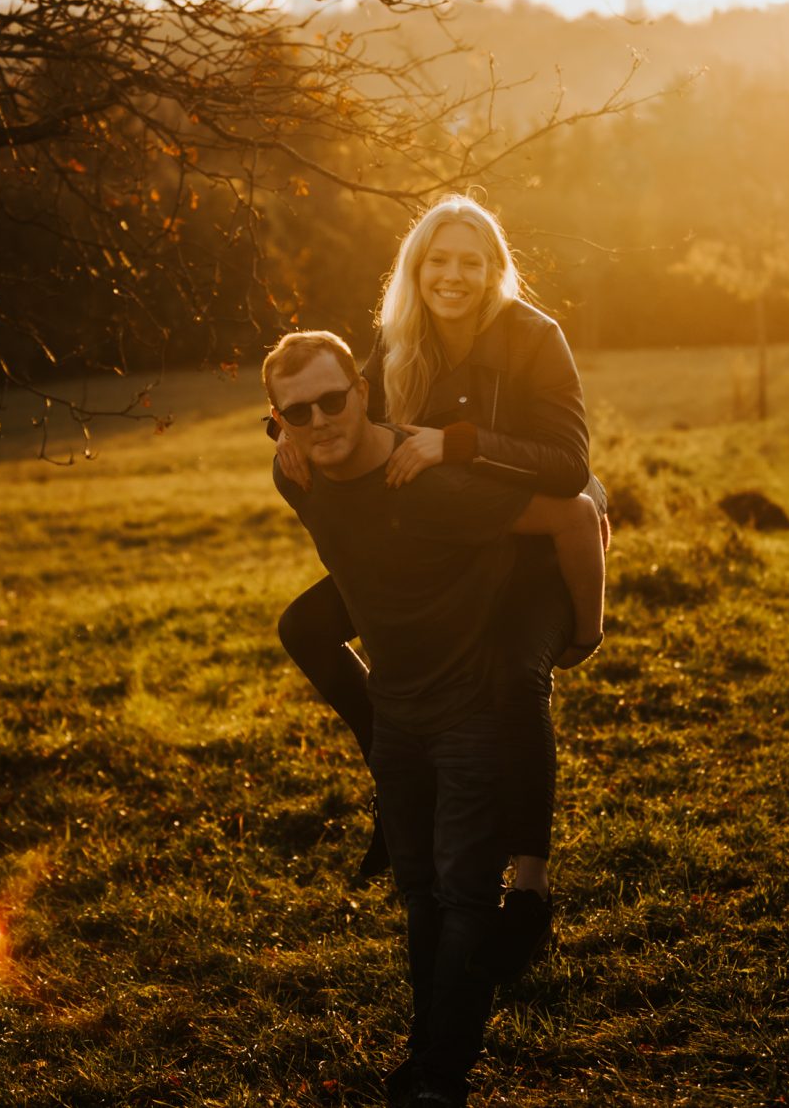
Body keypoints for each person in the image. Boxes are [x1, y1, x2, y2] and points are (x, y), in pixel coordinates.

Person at [264, 330, 603, 1108]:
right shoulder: (298, 478)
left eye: (333, 398)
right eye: (297, 411)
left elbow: (576, 516)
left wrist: (584, 635)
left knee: (460, 896)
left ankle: (437, 1080)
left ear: (362, 386)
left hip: (473, 710)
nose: (320, 420)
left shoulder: (428, 480)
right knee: (419, 892)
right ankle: (430, 1052)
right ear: (276, 419)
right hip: (397, 716)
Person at [275, 195, 608, 980]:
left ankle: (527, 886)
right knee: (306, 627)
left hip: (526, 552)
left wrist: (453, 443)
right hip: (441, 550)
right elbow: (339, 409)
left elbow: (570, 468)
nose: (452, 275)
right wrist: (285, 434)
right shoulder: (394, 341)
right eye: (438, 260)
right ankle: (398, 785)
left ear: (494, 271)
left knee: (513, 678)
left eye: (470, 261)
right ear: (416, 268)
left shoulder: (533, 338)